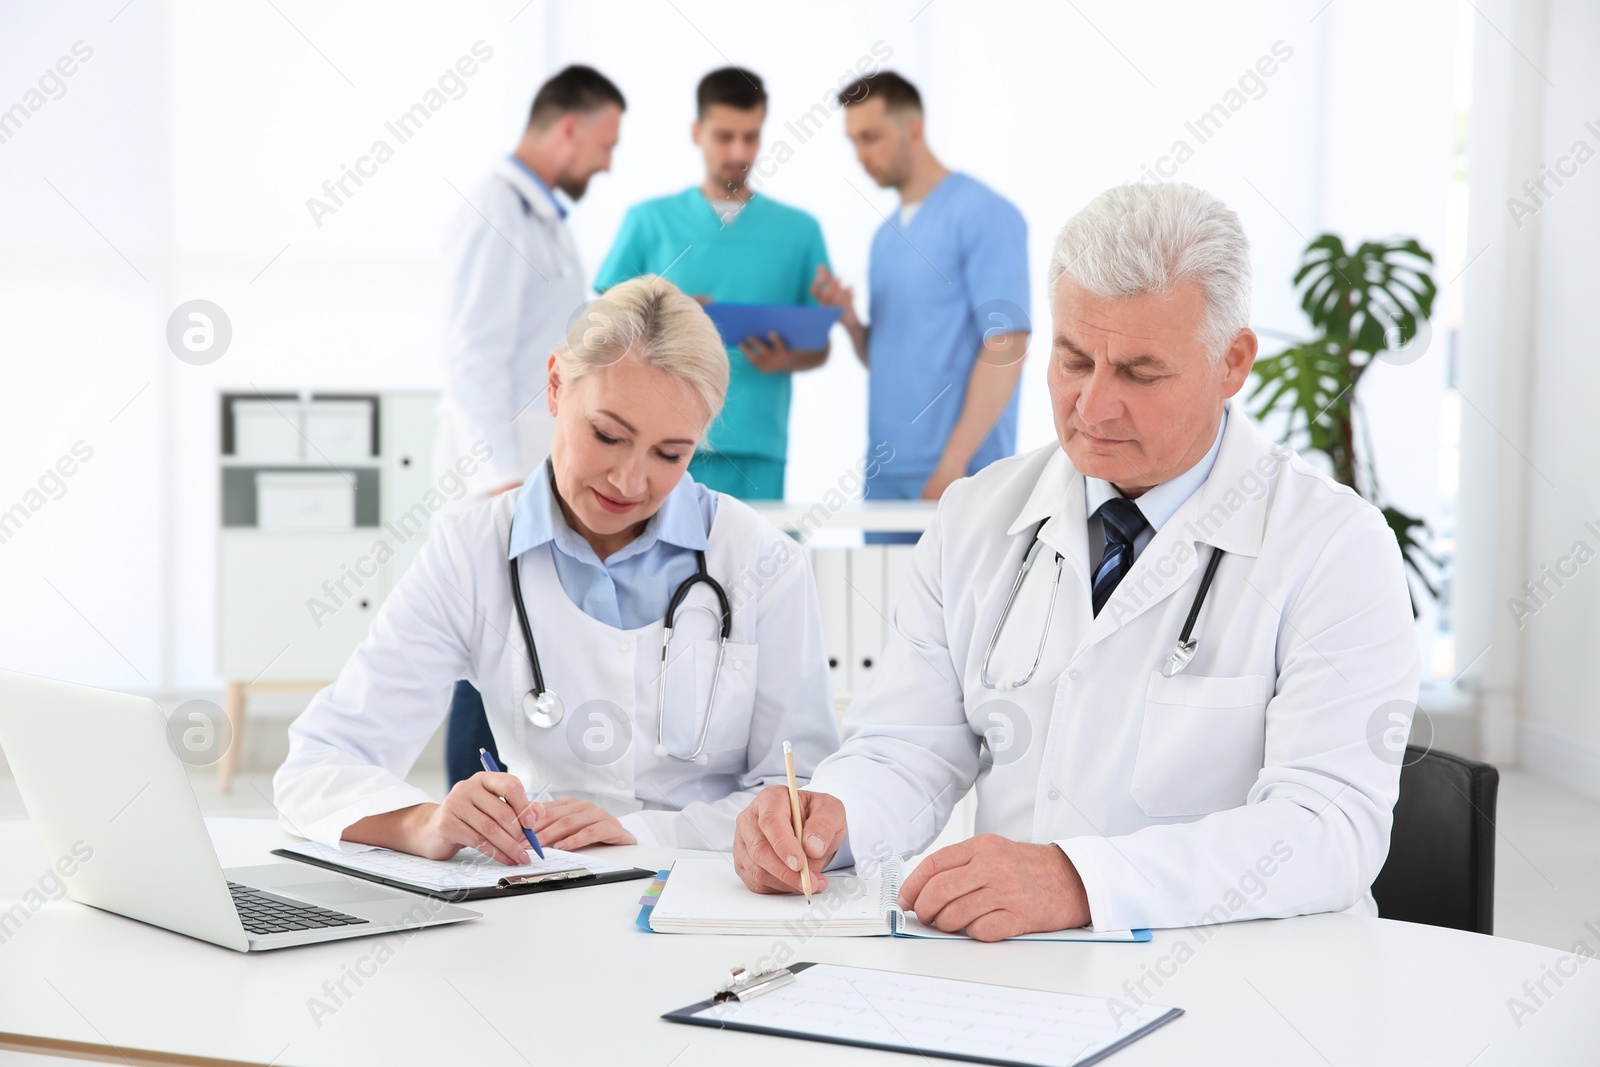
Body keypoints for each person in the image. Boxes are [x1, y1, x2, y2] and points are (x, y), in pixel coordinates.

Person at [733, 183, 1420, 940]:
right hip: (1020, 972)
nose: (1093, 406)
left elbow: (1327, 830)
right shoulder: (977, 516)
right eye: (1073, 359)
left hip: (1241, 984)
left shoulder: (1333, 546)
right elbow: (906, 747)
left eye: (1140, 372)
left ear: (1233, 363)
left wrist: (1079, 879)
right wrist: (834, 817)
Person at [276, 277, 839, 858]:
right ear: (553, 387)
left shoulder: (762, 560)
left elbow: (804, 792)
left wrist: (646, 835)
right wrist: (425, 822)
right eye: (608, 435)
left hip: (710, 895)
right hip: (542, 891)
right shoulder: (471, 550)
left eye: (670, 454)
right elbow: (318, 767)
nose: (630, 481)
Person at [438, 65, 625, 791]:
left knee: (520, 646)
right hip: (502, 476)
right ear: (568, 128)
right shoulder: (497, 210)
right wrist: (495, 477)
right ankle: (468, 804)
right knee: (489, 645)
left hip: (534, 471)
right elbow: (471, 353)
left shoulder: (540, 217)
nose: (608, 160)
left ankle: (503, 809)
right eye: (605, 142)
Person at [594, 67, 831, 501]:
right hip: (659, 440)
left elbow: (820, 346)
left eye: (751, 136)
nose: (738, 150)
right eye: (724, 136)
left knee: (759, 565)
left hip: (758, 446)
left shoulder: (800, 232)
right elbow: (600, 330)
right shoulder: (649, 222)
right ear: (697, 132)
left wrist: (789, 356)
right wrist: (666, 310)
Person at [811, 71, 1030, 520]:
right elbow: (892, 359)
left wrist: (953, 463)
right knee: (880, 592)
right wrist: (852, 323)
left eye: (871, 137)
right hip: (886, 477)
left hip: (961, 477)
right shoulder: (885, 237)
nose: (861, 155)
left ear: (914, 129)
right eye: (853, 141)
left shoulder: (985, 215)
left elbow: (1008, 344)